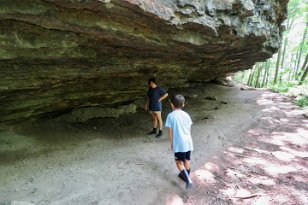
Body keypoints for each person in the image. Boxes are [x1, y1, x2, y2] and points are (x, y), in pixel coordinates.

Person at [165, 95, 193, 188]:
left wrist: (172, 143)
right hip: (188, 141)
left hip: (179, 143)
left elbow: (170, 131)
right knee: (187, 160)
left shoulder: (170, 116)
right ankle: (185, 175)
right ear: (183, 104)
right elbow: (189, 129)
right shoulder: (186, 115)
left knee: (178, 162)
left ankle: (188, 180)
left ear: (172, 105)